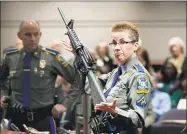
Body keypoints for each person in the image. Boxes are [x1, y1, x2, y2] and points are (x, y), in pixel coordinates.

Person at [62, 21, 152, 134]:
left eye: (123, 42)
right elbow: (89, 88)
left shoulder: (139, 76)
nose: (117, 48)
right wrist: (79, 58)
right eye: (114, 43)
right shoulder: (115, 73)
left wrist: (116, 112)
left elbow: (138, 119)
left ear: (135, 45)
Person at [0, 20, 81, 133]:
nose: (33, 38)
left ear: (40, 35)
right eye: (28, 34)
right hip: (16, 119)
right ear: (19, 36)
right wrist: (3, 94)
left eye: (36, 34)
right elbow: (1, 79)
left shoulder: (52, 57)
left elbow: (78, 80)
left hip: (43, 120)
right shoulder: (10, 58)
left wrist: (65, 104)